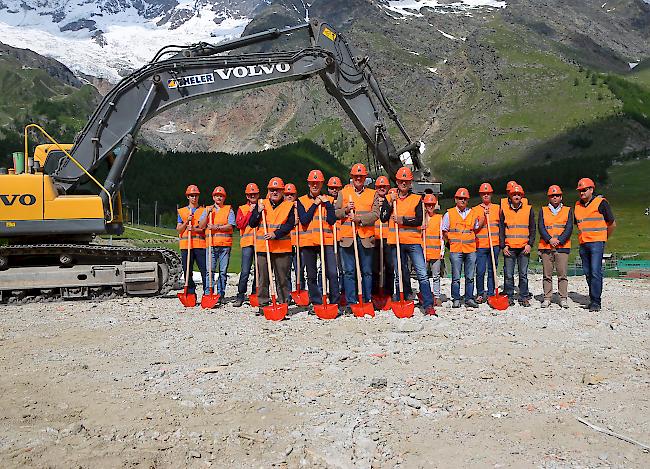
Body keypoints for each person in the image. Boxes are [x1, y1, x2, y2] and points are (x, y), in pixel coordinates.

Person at [380, 167, 435, 315]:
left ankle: (428, 304)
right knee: (400, 272)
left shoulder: (417, 199)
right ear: (397, 182)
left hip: (413, 241)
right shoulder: (390, 198)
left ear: (410, 182)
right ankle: (401, 299)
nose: (403, 183)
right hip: (396, 241)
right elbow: (383, 217)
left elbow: (418, 220)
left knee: (422, 273)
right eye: (401, 181)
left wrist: (402, 220)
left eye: (406, 181)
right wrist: (390, 204)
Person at [334, 163, 381, 307]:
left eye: (361, 176)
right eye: (356, 176)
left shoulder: (373, 194)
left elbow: (375, 214)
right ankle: (351, 302)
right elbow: (336, 213)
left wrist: (360, 220)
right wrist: (346, 210)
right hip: (348, 238)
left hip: (366, 238)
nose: (358, 178)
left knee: (367, 271)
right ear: (352, 177)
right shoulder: (343, 193)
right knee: (349, 272)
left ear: (365, 177)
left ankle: (366, 300)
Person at [248, 177, 295, 312]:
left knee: (282, 279)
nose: (275, 192)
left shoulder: (288, 205)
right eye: (272, 190)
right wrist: (257, 212)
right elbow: (252, 223)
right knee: (263, 279)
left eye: (278, 190)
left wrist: (276, 234)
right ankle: (263, 305)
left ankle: (283, 304)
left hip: (282, 248)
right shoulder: (261, 203)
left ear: (282, 191)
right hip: (264, 248)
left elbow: (290, 224)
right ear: (268, 191)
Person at [297, 170, 340, 307]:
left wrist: (327, 204)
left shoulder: (330, 200)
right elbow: (304, 220)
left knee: (332, 273)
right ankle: (316, 302)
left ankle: (334, 302)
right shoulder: (301, 200)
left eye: (317, 183)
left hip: (326, 241)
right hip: (309, 241)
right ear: (309, 184)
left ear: (321, 184)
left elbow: (332, 220)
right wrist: (315, 204)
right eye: (312, 183)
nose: (315, 185)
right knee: (311, 275)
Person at [574, 177, 616, 312]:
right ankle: (592, 299)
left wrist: (604, 238)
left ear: (591, 189)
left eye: (584, 190)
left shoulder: (601, 203)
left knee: (595, 271)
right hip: (583, 243)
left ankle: (596, 302)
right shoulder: (577, 206)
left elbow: (612, 224)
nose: (582, 193)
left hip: (597, 243)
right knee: (587, 272)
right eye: (580, 190)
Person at [442, 188, 485, 308]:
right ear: (456, 199)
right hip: (456, 250)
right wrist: (450, 241)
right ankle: (456, 298)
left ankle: (469, 298)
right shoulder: (449, 214)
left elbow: (476, 227)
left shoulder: (472, 213)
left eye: (465, 199)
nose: (462, 200)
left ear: (467, 200)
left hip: (470, 249)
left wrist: (483, 218)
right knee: (456, 277)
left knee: (470, 276)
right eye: (460, 198)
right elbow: (444, 231)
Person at [499, 184, 535, 306]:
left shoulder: (528, 209)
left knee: (523, 274)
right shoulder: (504, 210)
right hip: (509, 248)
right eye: (514, 194)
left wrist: (530, 244)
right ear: (510, 196)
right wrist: (503, 246)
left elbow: (532, 228)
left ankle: (523, 296)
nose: (516, 196)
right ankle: (509, 296)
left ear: (522, 196)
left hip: (524, 248)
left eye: (519, 194)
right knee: (509, 275)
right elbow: (502, 230)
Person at [538, 185, 573, 308]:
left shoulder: (568, 210)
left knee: (562, 274)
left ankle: (563, 298)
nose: (555, 198)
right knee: (547, 275)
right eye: (552, 196)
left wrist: (559, 240)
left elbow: (569, 228)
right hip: (546, 247)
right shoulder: (543, 210)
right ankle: (547, 298)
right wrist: (549, 239)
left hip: (562, 247)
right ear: (549, 197)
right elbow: (541, 227)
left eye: (557, 195)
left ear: (561, 197)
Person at [198, 186, 235, 303]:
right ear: (213, 197)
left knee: (223, 272)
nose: (219, 197)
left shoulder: (229, 209)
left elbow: (231, 225)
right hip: (211, 245)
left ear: (224, 198)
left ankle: (221, 294)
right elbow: (201, 226)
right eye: (217, 196)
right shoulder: (208, 209)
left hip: (225, 245)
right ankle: (208, 293)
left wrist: (216, 227)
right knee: (210, 271)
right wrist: (207, 214)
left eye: (221, 196)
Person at [176, 185, 207, 297]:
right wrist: (186, 222)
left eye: (196, 195)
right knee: (187, 271)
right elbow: (179, 229)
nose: (194, 197)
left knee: (204, 271)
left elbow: (205, 229)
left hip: (200, 245)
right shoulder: (182, 211)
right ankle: (190, 293)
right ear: (188, 197)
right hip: (186, 246)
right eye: (191, 195)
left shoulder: (203, 211)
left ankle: (206, 292)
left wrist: (194, 229)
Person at [473, 182, 501, 304]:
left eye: (488, 193)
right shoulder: (475, 210)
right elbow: (474, 228)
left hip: (494, 244)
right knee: (480, 270)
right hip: (480, 245)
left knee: (492, 269)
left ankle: (491, 293)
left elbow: (502, 226)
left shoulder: (497, 208)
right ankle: (480, 293)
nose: (486, 195)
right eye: (484, 193)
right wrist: (484, 218)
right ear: (480, 195)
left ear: (491, 194)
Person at [233, 183, 260, 307]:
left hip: (259, 242)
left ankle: (255, 293)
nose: (253, 196)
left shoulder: (262, 206)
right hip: (247, 243)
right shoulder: (242, 208)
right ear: (247, 196)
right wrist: (250, 212)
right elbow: (240, 225)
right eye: (250, 194)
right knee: (245, 271)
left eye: (254, 194)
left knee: (259, 271)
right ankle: (240, 295)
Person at [372, 176, 393, 298]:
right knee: (374, 268)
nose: (382, 188)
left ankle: (388, 293)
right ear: (376, 188)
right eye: (379, 186)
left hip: (388, 238)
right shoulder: (372, 200)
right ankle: (375, 293)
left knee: (389, 267)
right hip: (374, 238)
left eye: (384, 186)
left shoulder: (391, 200)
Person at [422, 194, 444, 307]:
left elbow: (441, 236)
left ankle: (436, 296)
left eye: (431, 204)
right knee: (424, 276)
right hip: (424, 252)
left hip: (435, 251)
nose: (430, 207)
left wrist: (442, 251)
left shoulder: (439, 218)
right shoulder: (421, 218)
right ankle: (425, 295)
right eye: (427, 205)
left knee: (436, 276)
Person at [283, 183, 304, 295]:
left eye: (292, 194)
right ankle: (288, 294)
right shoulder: (281, 208)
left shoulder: (300, 206)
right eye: (287, 194)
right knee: (286, 270)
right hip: (286, 243)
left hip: (299, 242)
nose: (289, 196)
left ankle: (301, 291)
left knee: (299, 269)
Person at [327, 176, 345, 302]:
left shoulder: (344, 201)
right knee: (327, 269)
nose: (334, 190)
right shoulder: (325, 201)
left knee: (342, 268)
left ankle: (343, 291)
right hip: (328, 239)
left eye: (336, 188)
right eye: (332, 188)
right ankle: (326, 290)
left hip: (342, 239)